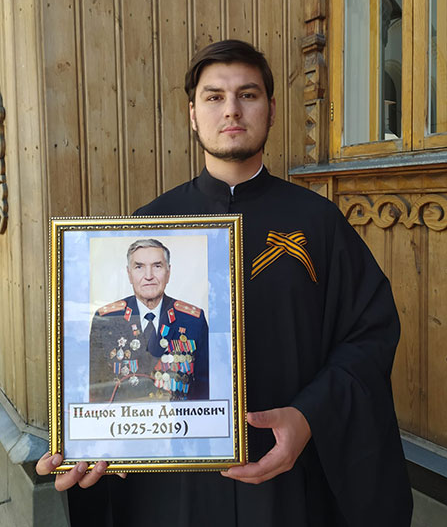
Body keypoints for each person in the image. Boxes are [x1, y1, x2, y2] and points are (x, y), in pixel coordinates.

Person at [37, 40, 413, 526]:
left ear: (271, 110)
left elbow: (369, 335)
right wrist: (92, 442)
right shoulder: (149, 226)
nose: (231, 109)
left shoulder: (318, 224)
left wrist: (310, 416)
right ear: (193, 115)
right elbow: (107, 377)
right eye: (214, 97)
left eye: (247, 95)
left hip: (288, 480)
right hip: (174, 488)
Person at [89, 238, 209, 402]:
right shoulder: (106, 320)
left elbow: (204, 391)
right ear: (129, 274)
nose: (148, 276)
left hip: (177, 416)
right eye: (139, 267)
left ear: (168, 272)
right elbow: (96, 393)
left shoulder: (192, 320)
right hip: (124, 416)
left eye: (157, 266)